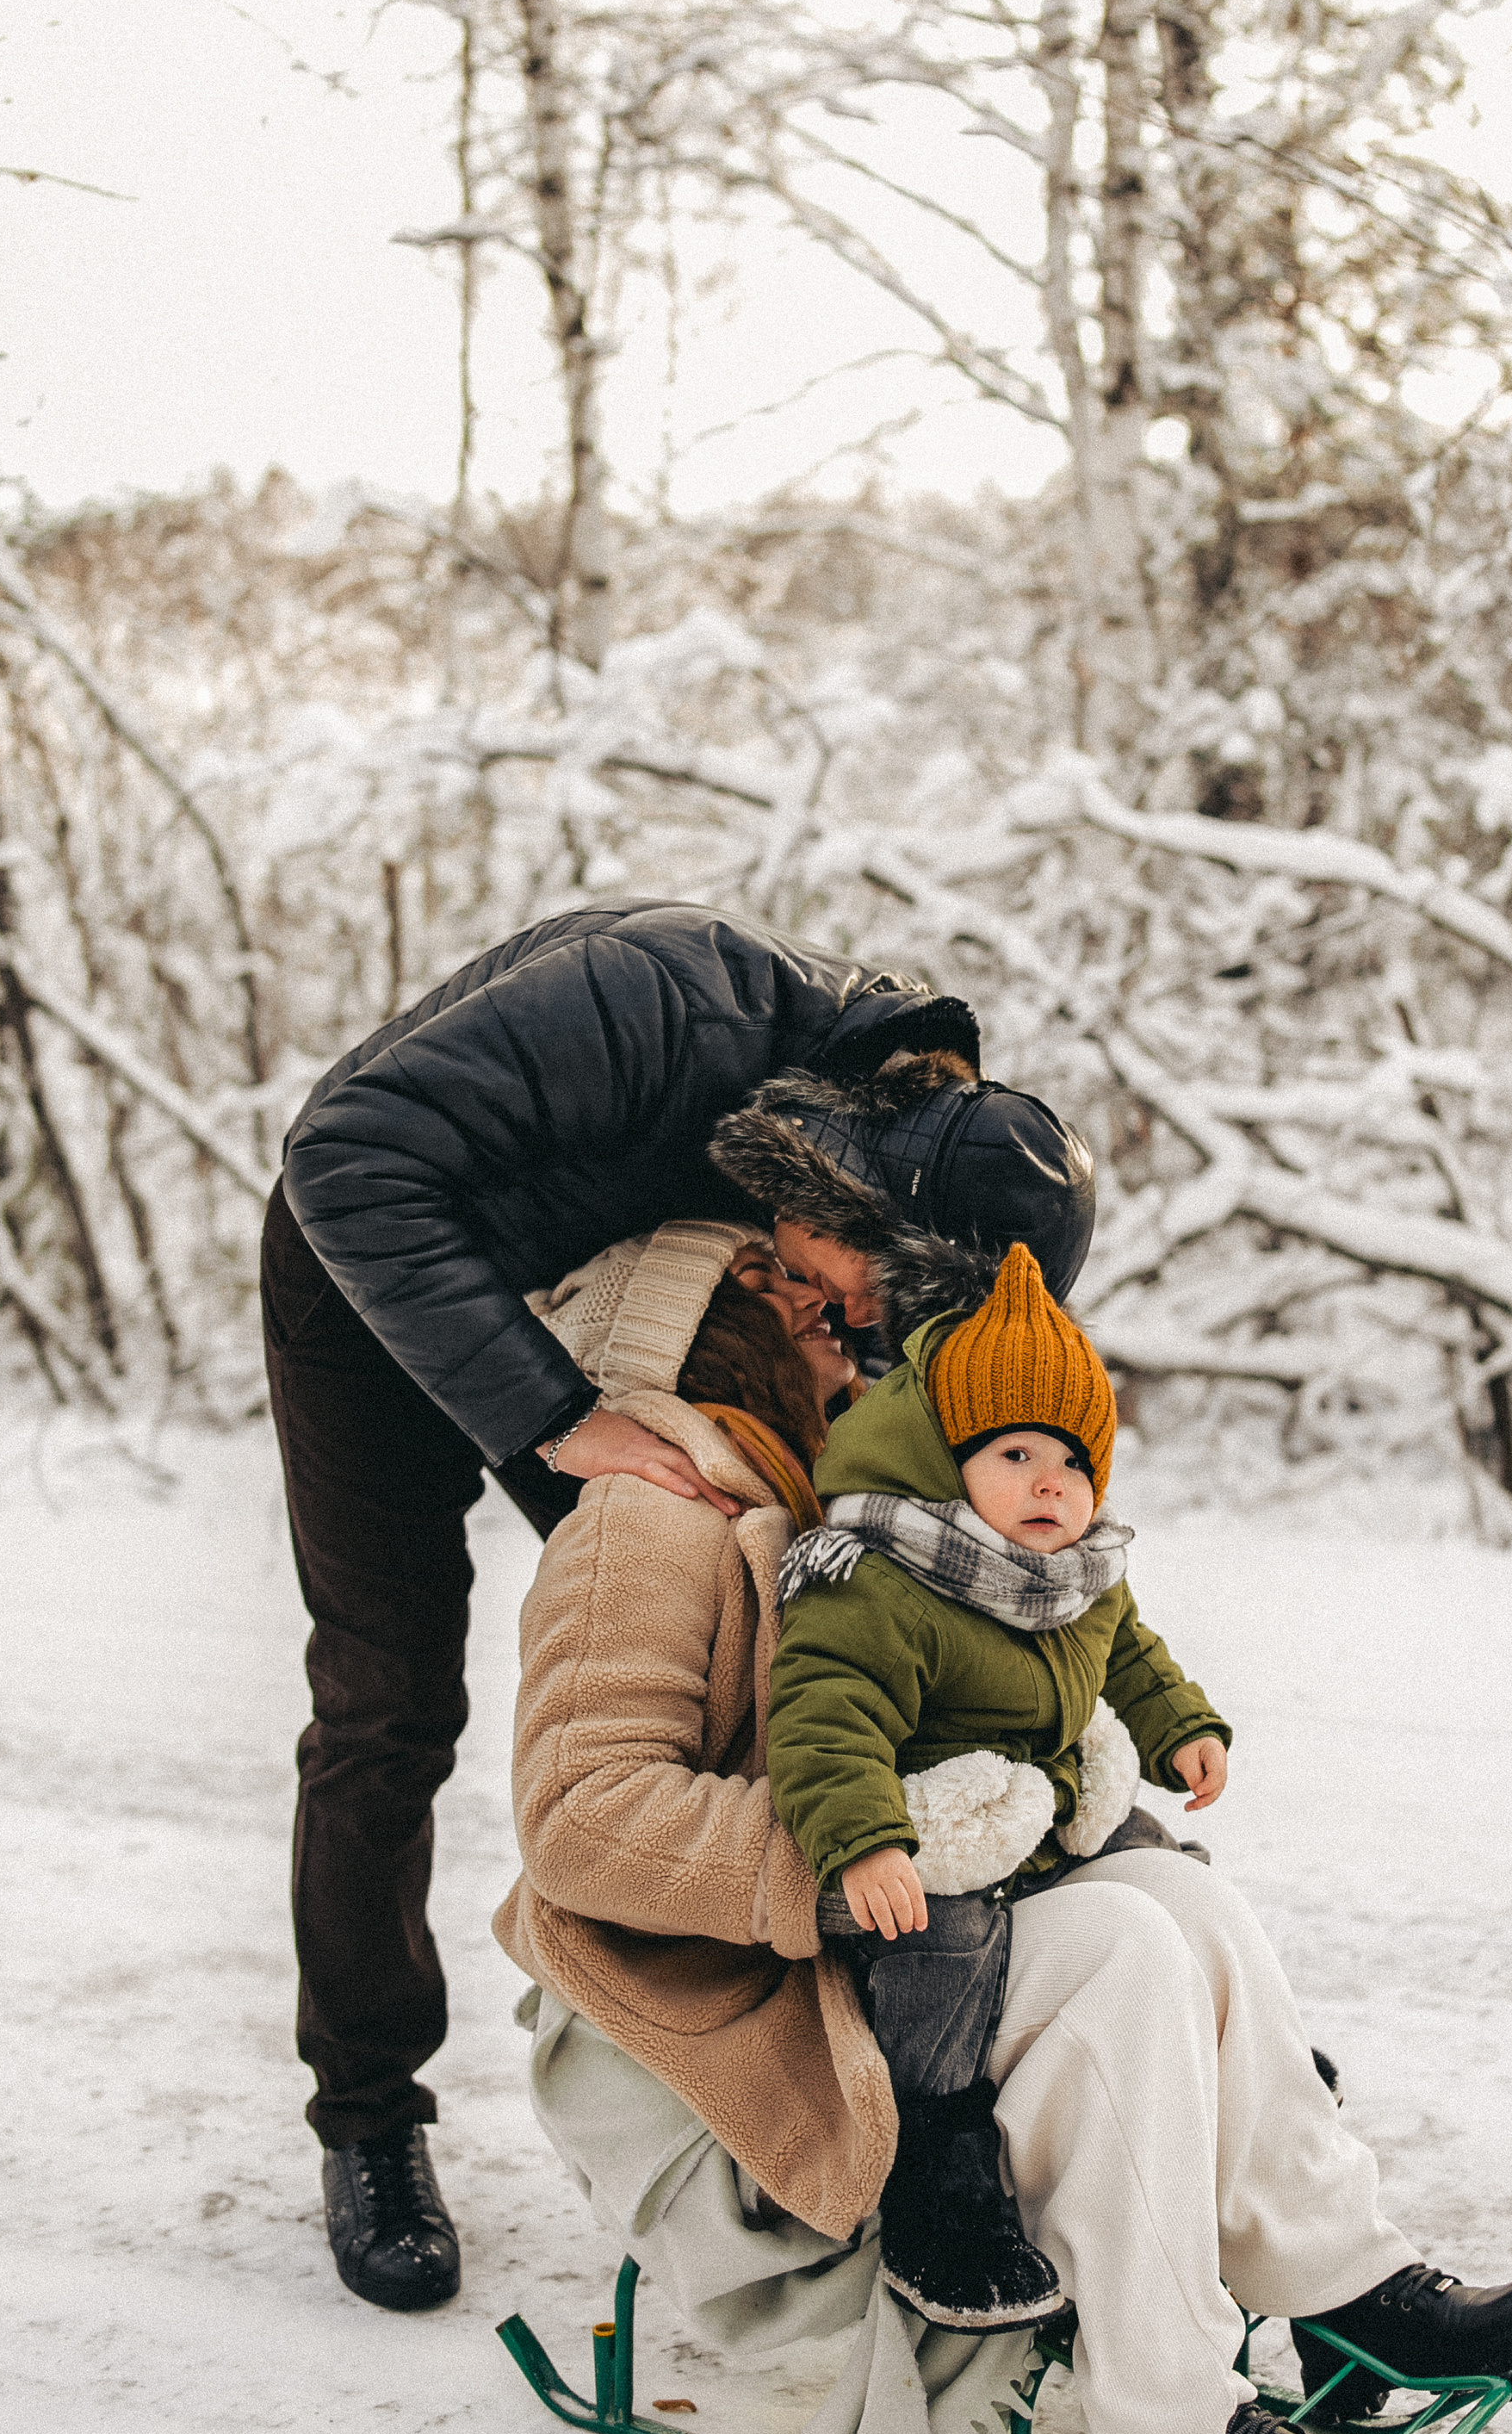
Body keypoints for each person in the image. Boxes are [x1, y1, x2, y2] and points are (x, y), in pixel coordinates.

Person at [502, 1209, 1512, 2434]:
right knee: (1123, 1953)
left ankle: (1346, 2285)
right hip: (714, 2012)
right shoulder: (646, 1519)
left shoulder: (832, 1498)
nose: (844, 1328)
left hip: (882, 1945)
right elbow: (580, 1822)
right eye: (797, 1304)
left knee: (1178, 1907)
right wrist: (856, 1855)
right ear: (715, 1333)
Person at [263, 900, 1093, 2313]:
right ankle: (370, 2119)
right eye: (865, 1298)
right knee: (387, 1708)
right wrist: (550, 1414)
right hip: (370, 1283)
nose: (862, 1328)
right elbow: (342, 1156)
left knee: (753, 1636)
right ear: (853, 1188)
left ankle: (816, 2062)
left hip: (597, 1317)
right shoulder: (660, 1007)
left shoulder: (909, 1146)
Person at [769, 1243, 1231, 2332]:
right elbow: (824, 1713)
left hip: (1046, 1801)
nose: (1047, 1483)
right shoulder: (883, 1574)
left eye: (1071, 1462)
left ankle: (1214, 2035)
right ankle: (934, 2149)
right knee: (947, 1945)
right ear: (945, 1457)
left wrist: (1181, 1729)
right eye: (1013, 1452)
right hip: (933, 1825)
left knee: (1156, 1858)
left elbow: (1132, 1655)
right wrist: (866, 1841)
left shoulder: (1075, 1574)